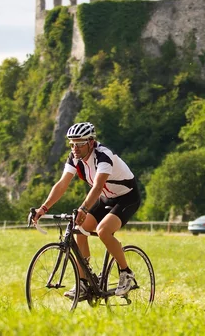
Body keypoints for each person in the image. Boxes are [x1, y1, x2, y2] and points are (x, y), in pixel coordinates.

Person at [31, 122, 141, 299]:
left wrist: (83, 208)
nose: (75, 148)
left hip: (126, 197)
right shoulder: (74, 158)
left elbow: (97, 187)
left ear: (90, 142)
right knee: (78, 229)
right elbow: (62, 184)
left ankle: (126, 272)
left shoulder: (103, 156)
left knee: (103, 231)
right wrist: (43, 208)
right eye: (72, 144)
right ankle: (83, 282)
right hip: (106, 197)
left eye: (79, 143)